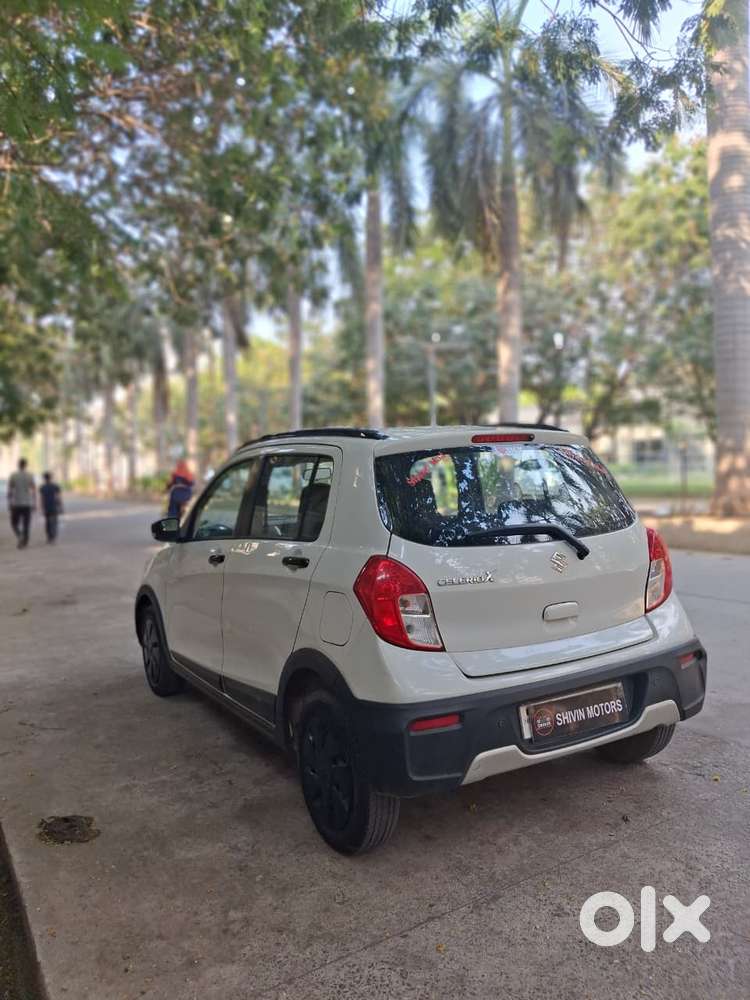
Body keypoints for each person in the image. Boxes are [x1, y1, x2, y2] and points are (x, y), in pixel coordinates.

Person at [7, 458, 36, 548]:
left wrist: (9, 502)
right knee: (26, 524)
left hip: (16, 503)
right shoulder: (30, 475)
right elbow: (34, 490)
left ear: (18, 465)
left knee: (14, 523)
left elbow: (10, 490)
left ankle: (20, 535)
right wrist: (34, 503)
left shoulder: (13, 475)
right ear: (26, 465)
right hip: (27, 503)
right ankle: (25, 541)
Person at [39, 472, 63, 543]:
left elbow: (41, 498)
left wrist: (41, 507)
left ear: (44, 478)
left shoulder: (42, 487)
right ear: (51, 478)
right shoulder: (55, 486)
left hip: (46, 506)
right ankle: (53, 537)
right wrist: (60, 506)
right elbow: (58, 497)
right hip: (54, 506)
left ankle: (49, 537)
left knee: (47, 522)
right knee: (54, 522)